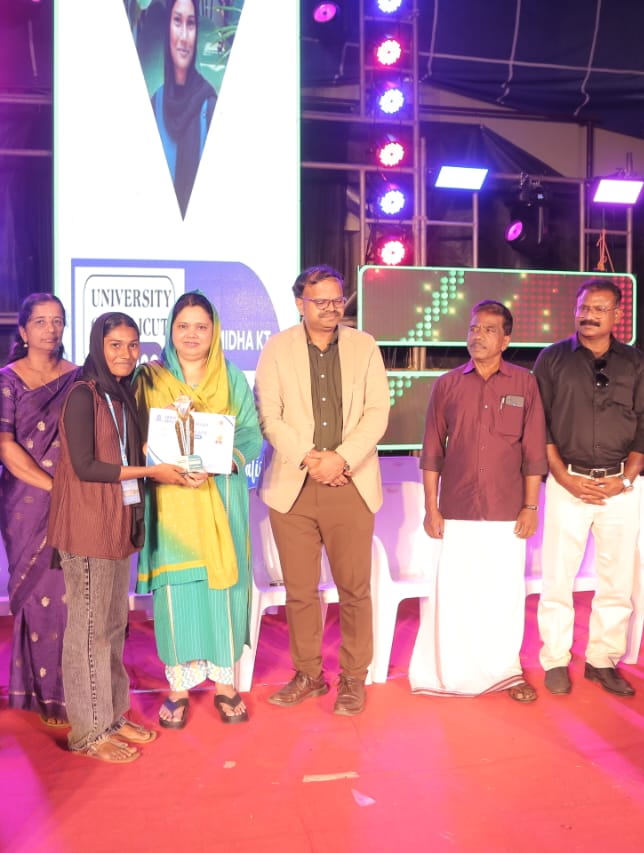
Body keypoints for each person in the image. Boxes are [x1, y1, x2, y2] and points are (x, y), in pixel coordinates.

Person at [47, 312, 189, 763]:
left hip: (116, 524)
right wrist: (152, 470)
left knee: (111, 627)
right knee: (89, 632)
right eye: (115, 345)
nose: (126, 354)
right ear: (98, 346)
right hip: (88, 527)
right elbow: (87, 466)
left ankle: (109, 717)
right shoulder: (82, 395)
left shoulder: (121, 394)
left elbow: (131, 450)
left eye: (132, 345)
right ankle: (87, 734)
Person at [255, 264, 390, 716]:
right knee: (300, 590)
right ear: (300, 304)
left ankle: (353, 677)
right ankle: (308, 674)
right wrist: (311, 458)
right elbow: (269, 415)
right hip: (293, 486)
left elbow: (377, 413)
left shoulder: (364, 346)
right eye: (321, 301)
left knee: (355, 589)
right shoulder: (278, 348)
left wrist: (341, 459)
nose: (332, 308)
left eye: (337, 299)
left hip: (350, 483)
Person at [135, 292, 263, 729]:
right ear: (171, 330)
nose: (192, 335)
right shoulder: (149, 378)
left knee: (222, 589)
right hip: (170, 505)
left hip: (221, 498)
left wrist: (223, 461)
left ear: (215, 331)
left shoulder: (231, 377)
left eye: (201, 327)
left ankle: (225, 684)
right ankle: (178, 687)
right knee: (178, 591)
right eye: (183, 326)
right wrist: (155, 459)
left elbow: (250, 434)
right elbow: (133, 433)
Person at [410, 300, 547, 702]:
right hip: (457, 509)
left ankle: (505, 671)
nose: (478, 336)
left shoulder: (525, 383)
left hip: (507, 510)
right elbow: (432, 451)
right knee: (457, 595)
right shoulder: (447, 384)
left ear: (506, 340)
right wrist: (431, 508)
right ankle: (452, 670)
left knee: (503, 596)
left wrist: (531, 506)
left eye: (489, 330)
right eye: (473, 328)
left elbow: (533, 451)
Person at [532, 279, 644, 697]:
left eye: (600, 309)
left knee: (617, 580)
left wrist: (624, 480)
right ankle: (555, 659)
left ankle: (602, 660)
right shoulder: (552, 359)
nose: (589, 315)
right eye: (584, 307)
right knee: (557, 577)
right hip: (567, 482)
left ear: (617, 315)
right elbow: (539, 425)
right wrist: (564, 477)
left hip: (619, 487)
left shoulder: (636, 363)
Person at [0, 293, 80, 729]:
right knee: (39, 595)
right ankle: (45, 697)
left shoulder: (79, 377)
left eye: (57, 320)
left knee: (70, 598)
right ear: (23, 331)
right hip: (27, 500)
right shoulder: (6, 380)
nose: (50, 329)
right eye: (40, 322)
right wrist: (53, 487)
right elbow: (3, 445)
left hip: (76, 498)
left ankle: (74, 692)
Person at [150, 0, 217, 217]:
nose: (184, 36)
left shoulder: (209, 107)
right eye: (177, 21)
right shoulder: (155, 105)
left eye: (191, 23)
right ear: (167, 27)